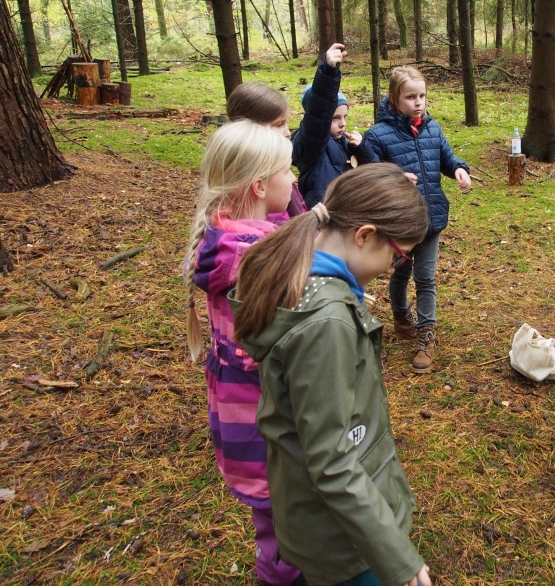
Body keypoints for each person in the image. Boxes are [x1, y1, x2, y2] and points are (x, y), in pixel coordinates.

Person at [231, 163, 433, 586]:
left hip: (329, 521)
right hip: (345, 544)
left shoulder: (302, 275)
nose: (397, 268)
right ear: (364, 235)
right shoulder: (326, 322)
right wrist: (398, 560)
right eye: (398, 257)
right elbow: (333, 460)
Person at [182, 120, 303, 586]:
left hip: (241, 420)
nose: (293, 181)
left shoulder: (229, 238)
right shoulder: (254, 260)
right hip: (264, 427)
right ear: (258, 185)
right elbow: (273, 349)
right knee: (286, 538)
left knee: (275, 527)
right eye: (287, 172)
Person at [362, 66, 472, 373]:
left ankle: (427, 333)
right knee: (400, 273)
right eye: (411, 97)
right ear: (394, 97)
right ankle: (400, 316)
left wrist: (460, 170)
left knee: (425, 277)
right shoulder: (377, 136)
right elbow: (369, 176)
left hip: (431, 217)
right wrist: (394, 178)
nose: (418, 102)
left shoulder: (432, 129)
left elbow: (448, 159)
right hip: (399, 222)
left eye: (422, 95)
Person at [292, 43, 378, 208]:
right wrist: (328, 72)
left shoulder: (346, 145)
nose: (342, 123)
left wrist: (363, 149)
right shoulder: (311, 146)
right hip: (324, 221)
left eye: (344, 117)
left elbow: (372, 175)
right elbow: (318, 115)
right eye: (335, 118)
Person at [227, 81, 307, 219]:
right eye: (279, 124)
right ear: (253, 129)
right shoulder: (259, 188)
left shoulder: (278, 174)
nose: (288, 132)